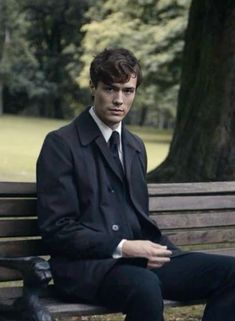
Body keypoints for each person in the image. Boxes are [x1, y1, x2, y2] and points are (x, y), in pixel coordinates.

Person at [37, 48, 235, 321]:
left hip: (140, 260)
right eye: (110, 89)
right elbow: (57, 229)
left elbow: (136, 215)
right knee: (145, 286)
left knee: (231, 273)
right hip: (86, 268)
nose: (119, 100)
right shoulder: (61, 144)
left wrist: (152, 249)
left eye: (128, 91)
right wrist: (124, 246)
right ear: (93, 87)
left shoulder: (135, 146)